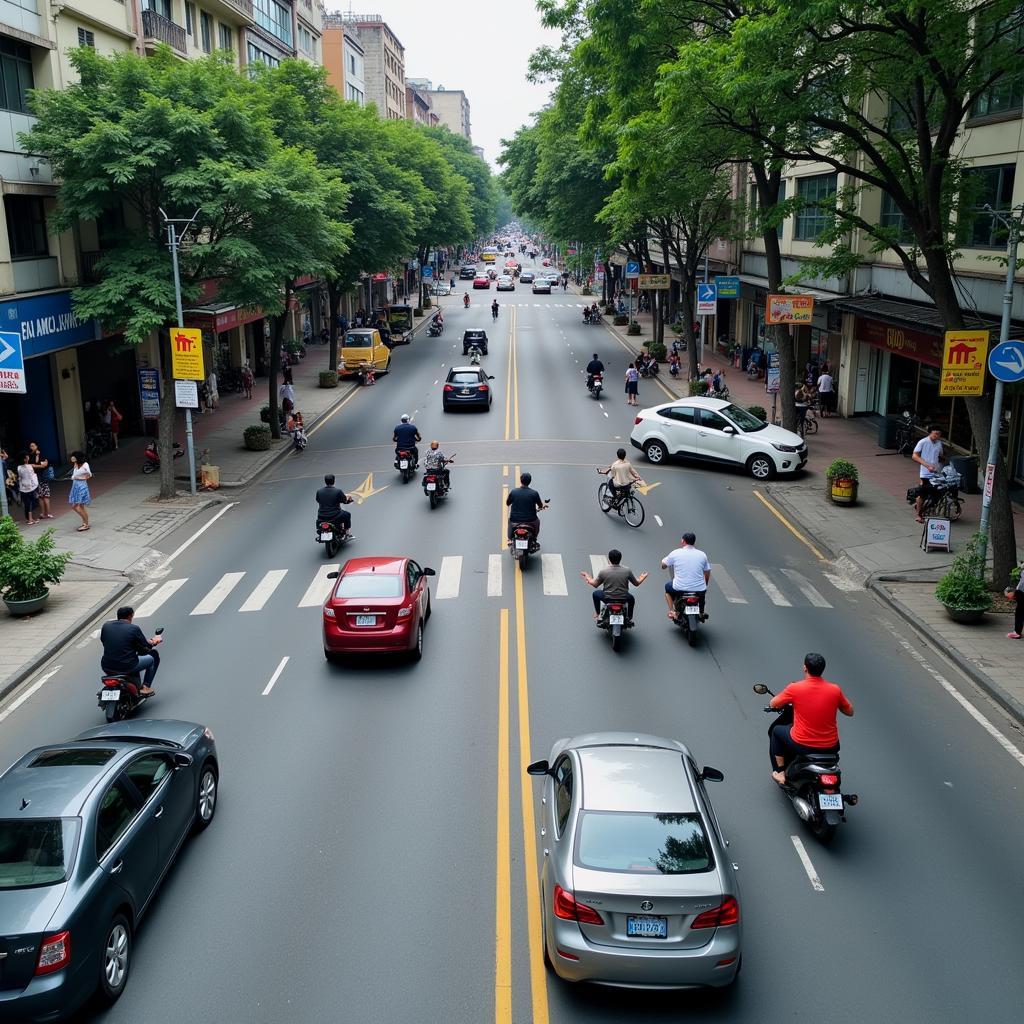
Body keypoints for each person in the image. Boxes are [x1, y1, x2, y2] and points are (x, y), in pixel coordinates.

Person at [768, 652, 854, 785]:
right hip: (831, 746)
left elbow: (773, 703)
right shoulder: (835, 690)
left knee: (776, 731)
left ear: (805, 668)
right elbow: (850, 712)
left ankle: (779, 772)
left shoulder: (795, 688)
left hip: (802, 745)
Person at [100, 606, 163, 696]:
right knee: (152, 658)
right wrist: (154, 641)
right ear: (131, 616)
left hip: (107, 666)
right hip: (128, 666)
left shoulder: (106, 626)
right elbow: (146, 645)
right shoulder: (133, 628)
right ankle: (146, 687)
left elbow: (104, 641)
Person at [580, 548, 649, 620]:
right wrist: (642, 577)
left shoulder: (604, 571)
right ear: (620, 559)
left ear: (609, 559)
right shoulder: (627, 570)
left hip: (607, 598)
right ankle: (629, 616)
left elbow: (595, 584)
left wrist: (588, 577)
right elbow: (636, 583)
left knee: (595, 594)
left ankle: (598, 613)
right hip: (623, 598)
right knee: (632, 599)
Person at [662, 532, 711, 620]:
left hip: (680, 588)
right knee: (702, 594)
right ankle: (701, 612)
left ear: (683, 541)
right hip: (699, 589)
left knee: (667, 589)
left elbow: (663, 565)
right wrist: (705, 584)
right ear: (694, 542)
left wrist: (664, 564)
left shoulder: (675, 553)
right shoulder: (702, 555)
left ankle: (673, 612)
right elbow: (707, 572)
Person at [912, 426, 945, 523]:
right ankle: (918, 514)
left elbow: (940, 455)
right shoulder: (923, 442)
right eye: (934, 433)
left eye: (938, 434)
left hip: (936, 472)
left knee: (938, 492)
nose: (936, 435)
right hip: (925, 473)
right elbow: (915, 456)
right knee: (923, 493)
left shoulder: (939, 443)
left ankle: (927, 507)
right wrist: (927, 465)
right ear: (930, 433)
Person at [506, 471, 547, 543]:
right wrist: (542, 506)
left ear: (521, 480)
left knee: (509, 521)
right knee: (537, 522)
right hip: (531, 521)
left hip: (515, 520)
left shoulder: (514, 491)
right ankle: (534, 538)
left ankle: (509, 539)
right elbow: (540, 505)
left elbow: (507, 503)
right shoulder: (534, 493)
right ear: (530, 481)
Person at [27, 441, 53, 519]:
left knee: (45, 496)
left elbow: (45, 464)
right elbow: (33, 465)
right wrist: (39, 465)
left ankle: (47, 513)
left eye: (33, 446)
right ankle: (43, 513)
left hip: (43, 478)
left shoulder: (41, 454)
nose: (31, 447)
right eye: (30, 446)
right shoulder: (30, 456)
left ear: (37, 446)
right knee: (41, 497)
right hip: (35, 478)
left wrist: (37, 463)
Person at [68, 451, 92, 531]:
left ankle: (86, 524)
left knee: (75, 506)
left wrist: (77, 478)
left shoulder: (85, 465)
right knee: (81, 506)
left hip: (81, 487)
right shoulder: (75, 464)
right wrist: (74, 477)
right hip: (75, 486)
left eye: (73, 456)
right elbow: (75, 474)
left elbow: (89, 475)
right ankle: (85, 523)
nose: (71, 457)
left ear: (77, 457)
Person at [16, 453, 39, 524]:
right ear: (25, 459)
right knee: (32, 502)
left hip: (22, 488)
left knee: (26, 503)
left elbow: (19, 477)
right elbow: (32, 476)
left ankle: (29, 518)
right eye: (27, 457)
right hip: (30, 487)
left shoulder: (19, 467)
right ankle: (30, 519)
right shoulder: (29, 466)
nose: (28, 457)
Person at [1007, 565, 1024, 639]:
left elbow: (1022, 584)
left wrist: (1016, 592)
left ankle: (1017, 632)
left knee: (1020, 612)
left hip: (1022, 592)